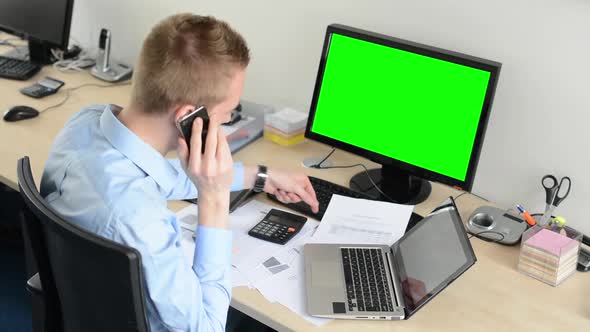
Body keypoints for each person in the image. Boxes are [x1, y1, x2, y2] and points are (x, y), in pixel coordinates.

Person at [40, 13, 319, 332]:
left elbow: (160, 176)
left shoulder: (84, 124)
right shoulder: (138, 219)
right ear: (189, 117)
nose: (227, 122)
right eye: (227, 115)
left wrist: (262, 175)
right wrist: (213, 200)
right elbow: (208, 328)